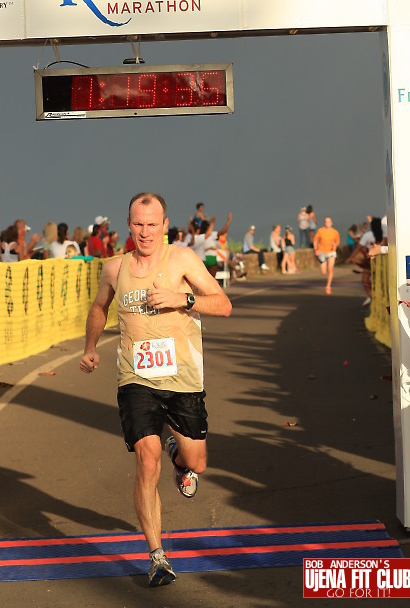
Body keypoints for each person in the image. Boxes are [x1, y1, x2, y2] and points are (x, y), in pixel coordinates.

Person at [80, 192, 232, 588]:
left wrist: (181, 299)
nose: (145, 232)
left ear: (165, 225)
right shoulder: (114, 268)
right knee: (146, 460)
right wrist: (91, 347)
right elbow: (99, 307)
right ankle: (156, 555)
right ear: (128, 225)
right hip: (136, 378)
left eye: (153, 224)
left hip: (182, 378)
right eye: (138, 224)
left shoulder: (181, 259)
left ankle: (179, 459)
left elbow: (223, 304)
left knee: (197, 462)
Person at [313, 216, 340, 295]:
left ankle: (328, 286)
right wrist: (316, 249)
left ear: (331, 223)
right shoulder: (320, 231)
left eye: (329, 222)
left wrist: (335, 245)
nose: (328, 223)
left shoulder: (335, 232)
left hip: (331, 252)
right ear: (324, 223)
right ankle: (326, 277)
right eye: (326, 222)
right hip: (322, 252)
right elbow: (315, 240)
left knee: (330, 268)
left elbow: (337, 241)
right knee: (324, 272)